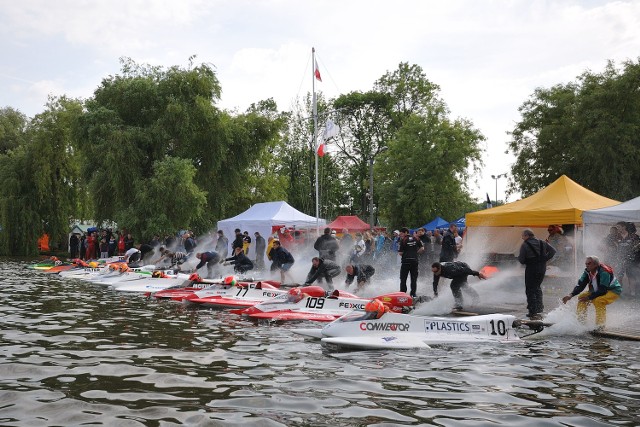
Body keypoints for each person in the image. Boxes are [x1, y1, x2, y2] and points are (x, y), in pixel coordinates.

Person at [561, 256, 621, 329]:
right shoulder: (587, 272)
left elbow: (603, 290)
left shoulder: (604, 272)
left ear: (596, 264)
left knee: (598, 300)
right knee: (581, 297)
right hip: (599, 290)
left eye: (589, 263)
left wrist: (589, 297)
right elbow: (580, 285)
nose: (586, 265)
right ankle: (580, 323)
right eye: (586, 263)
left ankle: (600, 326)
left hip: (613, 290)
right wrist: (570, 295)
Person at [518, 228, 556, 320]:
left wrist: (521, 259)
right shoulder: (542, 242)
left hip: (531, 268)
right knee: (537, 287)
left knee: (530, 289)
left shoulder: (525, 245)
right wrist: (545, 259)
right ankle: (539, 308)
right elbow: (553, 251)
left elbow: (522, 260)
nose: (522, 238)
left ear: (527, 235)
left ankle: (532, 311)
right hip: (542, 268)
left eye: (523, 236)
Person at [398, 227, 423, 298]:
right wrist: (416, 253)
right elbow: (422, 248)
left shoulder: (403, 240)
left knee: (403, 278)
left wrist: (406, 253)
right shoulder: (416, 238)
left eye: (401, 233)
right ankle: (413, 294)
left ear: (406, 232)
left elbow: (400, 253)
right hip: (414, 261)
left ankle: (402, 294)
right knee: (413, 278)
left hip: (406, 262)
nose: (401, 235)